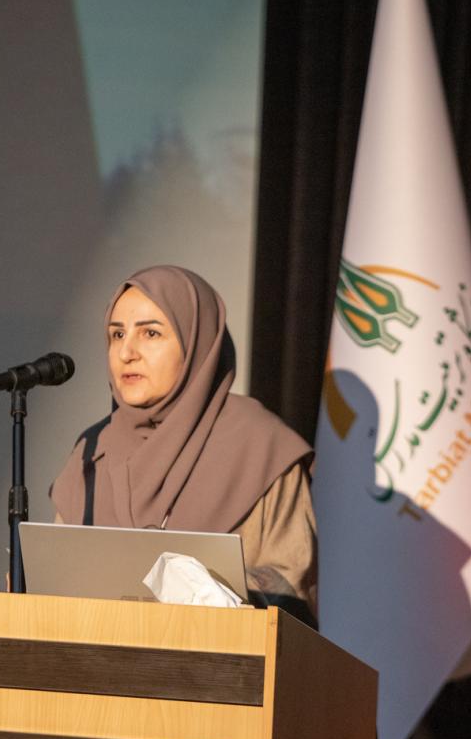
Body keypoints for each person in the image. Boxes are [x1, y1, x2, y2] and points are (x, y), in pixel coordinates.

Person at [50, 265, 318, 624]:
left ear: (197, 344)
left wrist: (212, 595)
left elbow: (293, 588)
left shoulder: (260, 445)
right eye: (117, 334)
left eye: (150, 333)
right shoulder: (91, 448)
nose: (127, 352)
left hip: (224, 655)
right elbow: (54, 576)